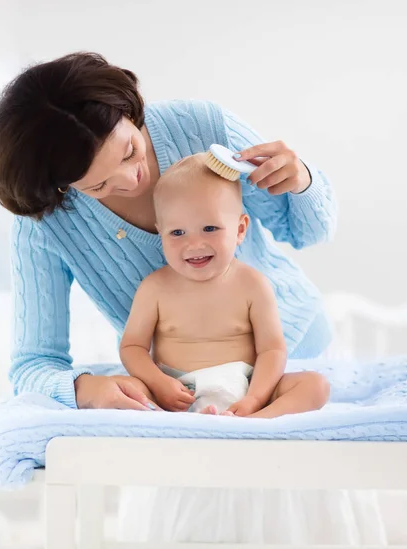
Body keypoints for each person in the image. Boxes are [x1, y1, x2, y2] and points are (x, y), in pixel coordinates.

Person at [0, 51, 337, 412]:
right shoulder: (45, 223)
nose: (131, 180)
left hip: (297, 359)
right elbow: (32, 364)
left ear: (128, 109)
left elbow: (308, 233)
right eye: (98, 185)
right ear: (60, 187)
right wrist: (84, 388)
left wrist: (302, 181)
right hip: (186, 394)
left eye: (129, 152)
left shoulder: (202, 128)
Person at [120, 153, 329, 417]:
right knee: (123, 389)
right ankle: (188, 420)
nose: (194, 244)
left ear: (240, 229)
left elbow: (272, 349)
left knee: (315, 386)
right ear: (160, 232)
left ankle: (253, 420)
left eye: (209, 228)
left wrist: (255, 397)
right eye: (177, 233)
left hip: (245, 388)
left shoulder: (252, 284)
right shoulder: (154, 288)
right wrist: (159, 383)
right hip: (177, 392)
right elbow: (132, 347)